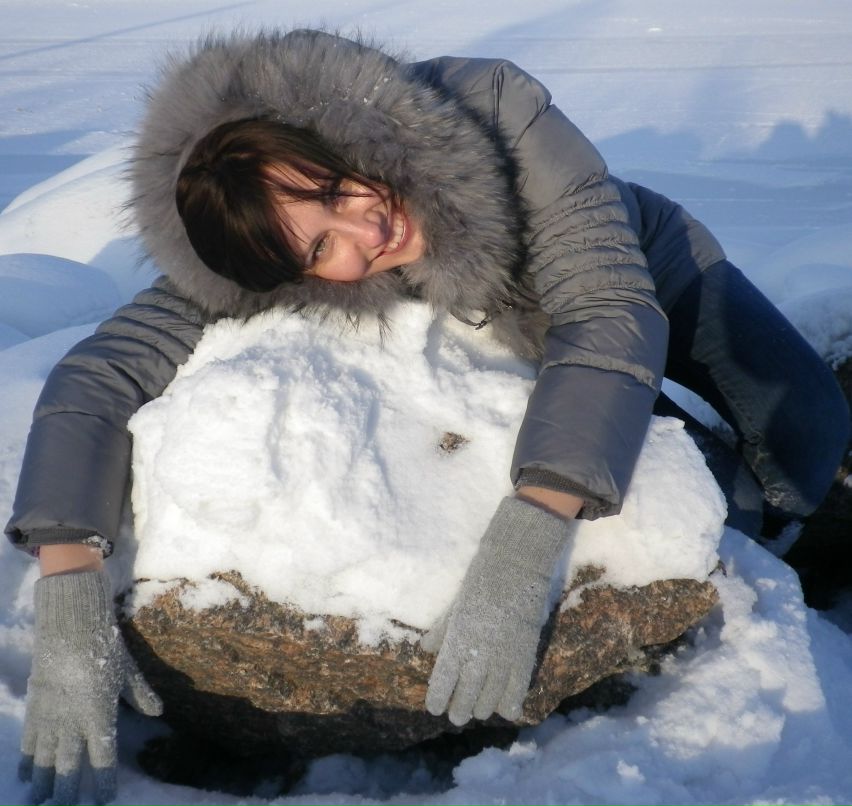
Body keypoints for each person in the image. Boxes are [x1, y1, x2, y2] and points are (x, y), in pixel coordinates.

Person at [7, 28, 849, 806]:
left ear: (339, 138)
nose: (366, 229)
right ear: (277, 272)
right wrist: (72, 579)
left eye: (338, 187)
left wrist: (532, 528)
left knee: (807, 433)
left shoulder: (492, 112)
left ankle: (807, 511)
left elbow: (606, 308)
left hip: (642, 270)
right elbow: (100, 375)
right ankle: (778, 550)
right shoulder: (243, 248)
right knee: (705, 493)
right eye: (317, 248)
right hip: (526, 355)